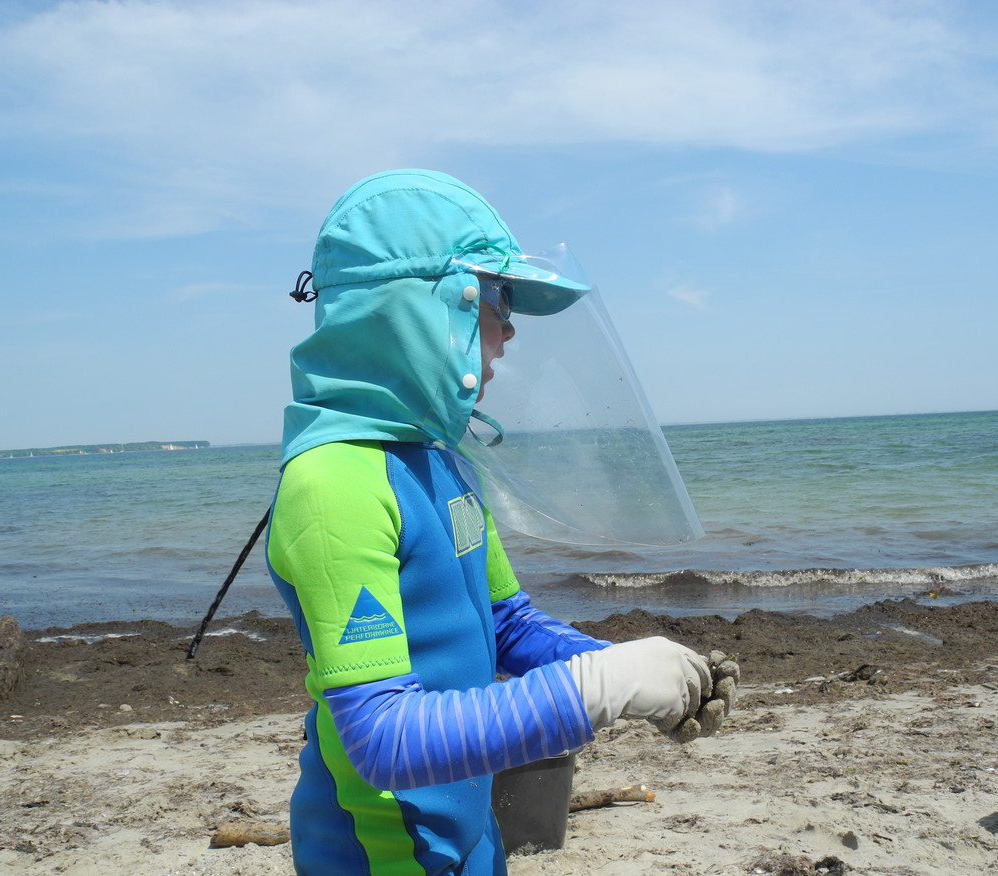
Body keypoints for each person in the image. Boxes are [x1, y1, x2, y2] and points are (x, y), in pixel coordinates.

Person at [266, 169, 732, 875]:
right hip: (381, 854)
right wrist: (600, 691)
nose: (510, 329)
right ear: (425, 309)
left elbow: (505, 622)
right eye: (496, 297)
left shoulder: (443, 463)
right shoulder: (332, 482)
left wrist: (623, 665)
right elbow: (383, 737)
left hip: (472, 835)